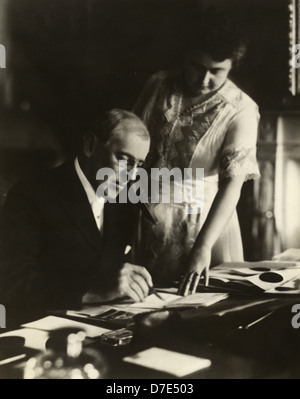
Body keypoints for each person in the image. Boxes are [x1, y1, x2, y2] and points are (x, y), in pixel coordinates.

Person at [133, 8, 260, 295]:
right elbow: (130, 140)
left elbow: (232, 186)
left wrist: (203, 248)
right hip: (143, 215)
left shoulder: (241, 109)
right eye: (195, 66)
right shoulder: (159, 84)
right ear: (185, 56)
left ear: (232, 66)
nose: (203, 79)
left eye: (216, 71)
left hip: (202, 227)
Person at [0, 109, 153, 312]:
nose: (131, 176)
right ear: (90, 145)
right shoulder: (31, 195)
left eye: (138, 165)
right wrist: (93, 293)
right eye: (124, 160)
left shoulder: (125, 204)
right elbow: (10, 283)